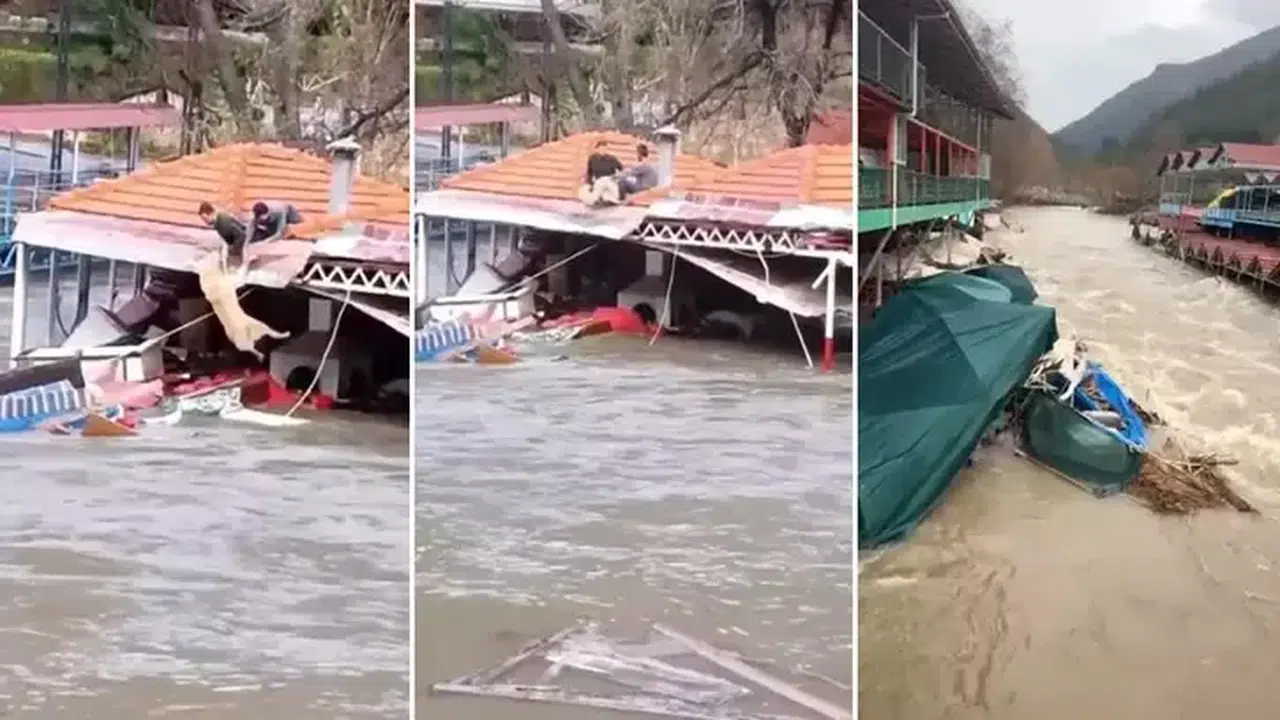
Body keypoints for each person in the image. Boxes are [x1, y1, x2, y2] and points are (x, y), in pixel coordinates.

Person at [578, 139, 624, 206]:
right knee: (585, 190)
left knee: (606, 192)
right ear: (597, 149)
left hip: (609, 181)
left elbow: (622, 170)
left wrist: (616, 178)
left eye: (604, 149)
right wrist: (590, 183)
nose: (603, 151)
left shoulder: (612, 159)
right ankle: (596, 200)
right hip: (598, 182)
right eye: (601, 149)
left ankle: (609, 199)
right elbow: (589, 172)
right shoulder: (592, 158)